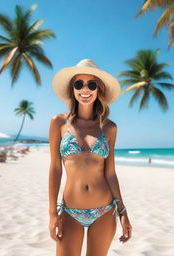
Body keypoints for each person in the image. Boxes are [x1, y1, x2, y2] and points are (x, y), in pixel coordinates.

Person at [49, 59, 132, 256]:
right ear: (72, 89)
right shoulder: (58, 123)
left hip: (104, 211)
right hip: (70, 212)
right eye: (79, 84)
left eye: (91, 84)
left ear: (98, 90)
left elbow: (110, 174)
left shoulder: (110, 128)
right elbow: (55, 169)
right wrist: (52, 213)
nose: (85, 89)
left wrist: (123, 212)